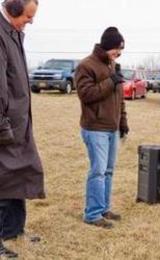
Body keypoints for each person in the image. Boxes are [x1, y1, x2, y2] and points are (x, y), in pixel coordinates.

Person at [0, 0, 45, 257]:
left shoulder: (13, 33)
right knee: (3, 181)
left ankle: (13, 230)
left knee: (21, 174)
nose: (31, 21)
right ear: (14, 11)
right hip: (4, 125)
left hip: (19, 123)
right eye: (28, 16)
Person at [75, 27, 129, 229]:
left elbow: (120, 98)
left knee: (108, 170)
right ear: (107, 46)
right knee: (97, 171)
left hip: (112, 128)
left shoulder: (112, 66)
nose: (119, 53)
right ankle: (92, 214)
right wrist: (110, 81)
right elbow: (86, 95)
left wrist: (122, 123)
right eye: (117, 49)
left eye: (121, 50)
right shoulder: (86, 66)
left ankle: (104, 208)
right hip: (95, 128)